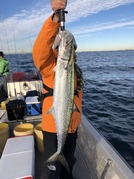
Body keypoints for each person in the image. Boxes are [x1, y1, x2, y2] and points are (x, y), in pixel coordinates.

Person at [32, 0, 84, 178]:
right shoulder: (51, 67)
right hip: (54, 127)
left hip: (72, 127)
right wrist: (55, 19)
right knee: (52, 173)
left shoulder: (74, 70)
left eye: (72, 47)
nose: (70, 49)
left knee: (68, 167)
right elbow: (40, 52)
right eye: (67, 46)